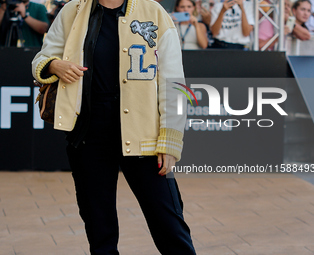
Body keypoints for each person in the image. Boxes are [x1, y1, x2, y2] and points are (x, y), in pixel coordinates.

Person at [32, 0, 197, 254]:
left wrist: (170, 140)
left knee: (170, 226)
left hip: (146, 139)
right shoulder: (73, 10)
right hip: (88, 136)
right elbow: (41, 59)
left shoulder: (154, 12)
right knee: (100, 233)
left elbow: (174, 81)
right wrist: (54, 65)